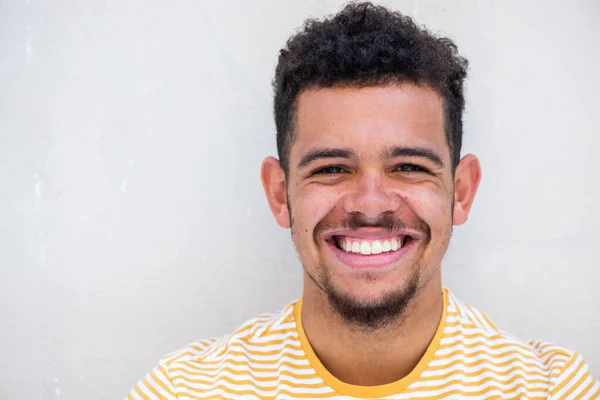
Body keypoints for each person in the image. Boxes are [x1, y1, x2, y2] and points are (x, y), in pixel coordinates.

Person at [127, 2, 600, 399]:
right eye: (332, 168)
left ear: (460, 191)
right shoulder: (183, 389)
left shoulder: (551, 387)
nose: (370, 205)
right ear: (280, 194)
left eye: (409, 167)